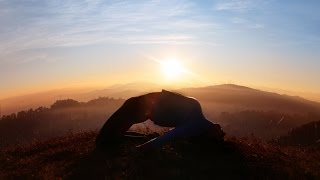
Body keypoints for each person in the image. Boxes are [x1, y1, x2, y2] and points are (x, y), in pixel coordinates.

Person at [95, 90, 225, 150]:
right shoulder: (196, 119)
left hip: (138, 107)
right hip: (140, 107)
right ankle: (118, 139)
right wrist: (143, 148)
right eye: (221, 134)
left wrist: (142, 148)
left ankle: (120, 139)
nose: (222, 133)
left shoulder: (195, 121)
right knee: (104, 140)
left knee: (104, 141)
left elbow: (168, 136)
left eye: (218, 137)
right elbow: (167, 137)